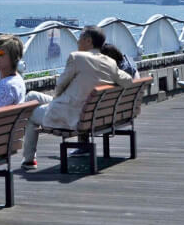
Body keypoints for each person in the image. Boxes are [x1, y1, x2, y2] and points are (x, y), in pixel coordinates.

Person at [19, 27, 131, 169]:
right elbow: (128, 81)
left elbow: (60, 85)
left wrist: (57, 100)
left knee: (31, 114)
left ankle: (28, 160)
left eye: (80, 38)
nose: (77, 41)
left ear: (89, 41)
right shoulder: (110, 62)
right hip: (90, 112)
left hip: (72, 114)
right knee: (31, 95)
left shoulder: (77, 57)